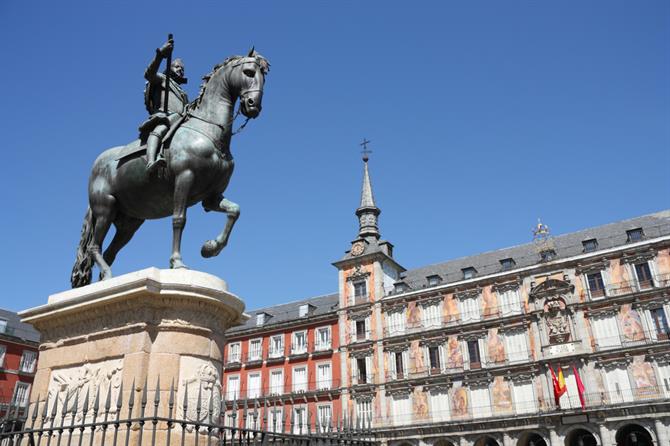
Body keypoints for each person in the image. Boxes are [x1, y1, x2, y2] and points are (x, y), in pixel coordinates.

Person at [139, 38, 189, 174]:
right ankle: (151, 161)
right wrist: (160, 55)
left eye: (182, 69)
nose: (181, 70)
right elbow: (149, 74)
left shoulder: (183, 93)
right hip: (165, 118)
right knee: (160, 129)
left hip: (180, 121)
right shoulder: (162, 79)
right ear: (169, 68)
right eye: (177, 67)